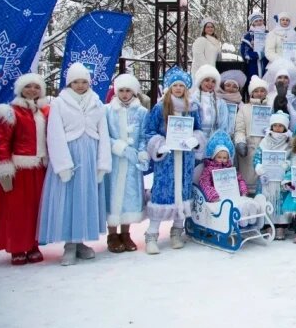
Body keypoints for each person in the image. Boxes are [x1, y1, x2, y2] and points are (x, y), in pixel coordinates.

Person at [39, 63, 111, 266]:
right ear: (69, 83)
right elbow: (54, 134)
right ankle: (69, 245)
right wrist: (62, 165)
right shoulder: (59, 103)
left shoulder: (96, 102)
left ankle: (80, 242)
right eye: (76, 82)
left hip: (90, 156)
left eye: (84, 82)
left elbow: (103, 133)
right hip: (70, 155)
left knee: (85, 198)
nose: (80, 85)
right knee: (69, 200)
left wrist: (102, 163)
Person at [141, 66, 204, 255]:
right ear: (169, 87)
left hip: (185, 158)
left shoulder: (192, 107)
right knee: (162, 193)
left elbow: (199, 129)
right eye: (175, 85)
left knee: (183, 193)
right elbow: (149, 131)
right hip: (167, 159)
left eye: (181, 85)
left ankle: (177, 232)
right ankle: (151, 235)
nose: (178, 89)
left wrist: (195, 139)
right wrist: (159, 145)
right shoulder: (160, 107)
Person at [0, 73, 49, 265]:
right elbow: (1, 142)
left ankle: (33, 245)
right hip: (19, 170)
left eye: (36, 87)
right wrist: (4, 168)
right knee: (17, 211)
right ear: (20, 89)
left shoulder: (44, 112)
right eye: (28, 86)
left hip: (39, 169)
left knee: (36, 210)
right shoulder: (10, 112)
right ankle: (17, 247)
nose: (32, 90)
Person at [103, 74, 148, 254]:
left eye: (128, 90)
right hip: (115, 161)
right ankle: (112, 234)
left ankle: (125, 233)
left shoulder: (142, 112)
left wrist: (142, 152)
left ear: (134, 92)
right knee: (114, 196)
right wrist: (120, 147)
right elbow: (104, 135)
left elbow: (144, 135)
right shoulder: (107, 110)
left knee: (129, 197)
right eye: (121, 90)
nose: (124, 94)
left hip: (132, 162)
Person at [197, 130, 265, 226]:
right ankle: (240, 219)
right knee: (230, 205)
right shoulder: (209, 169)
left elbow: (239, 180)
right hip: (218, 197)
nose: (222, 160)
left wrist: (243, 190)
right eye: (219, 157)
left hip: (232, 194)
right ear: (214, 157)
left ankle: (249, 215)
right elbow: (204, 183)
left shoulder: (230, 169)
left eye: (225, 158)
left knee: (244, 202)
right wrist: (213, 195)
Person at [253, 111, 292, 240]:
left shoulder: (288, 143)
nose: (277, 128)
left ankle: (281, 226)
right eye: (275, 125)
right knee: (267, 200)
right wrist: (258, 167)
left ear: (285, 127)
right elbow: (257, 157)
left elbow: (292, 158)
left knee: (280, 202)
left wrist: (287, 165)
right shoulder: (264, 141)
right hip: (267, 179)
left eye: (280, 126)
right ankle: (267, 225)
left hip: (280, 179)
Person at [233, 75, 270, 193]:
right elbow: (239, 129)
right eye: (256, 91)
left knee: (264, 183)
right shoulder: (244, 109)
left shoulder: (270, 108)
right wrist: (240, 142)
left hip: (266, 150)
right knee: (248, 183)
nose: (259, 93)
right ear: (251, 93)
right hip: (249, 150)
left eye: (262, 90)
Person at [263, 12, 296, 90]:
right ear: (279, 21)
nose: (285, 22)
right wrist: (280, 61)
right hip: (276, 65)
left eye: (287, 20)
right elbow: (269, 51)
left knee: (290, 88)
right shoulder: (272, 34)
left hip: (292, 66)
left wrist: (295, 62)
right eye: (283, 20)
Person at [240, 12, 269, 79]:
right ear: (252, 23)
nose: (259, 22)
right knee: (254, 81)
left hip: (266, 62)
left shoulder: (268, 34)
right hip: (253, 65)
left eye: (260, 20)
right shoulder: (248, 36)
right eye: (256, 21)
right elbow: (245, 53)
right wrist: (258, 54)